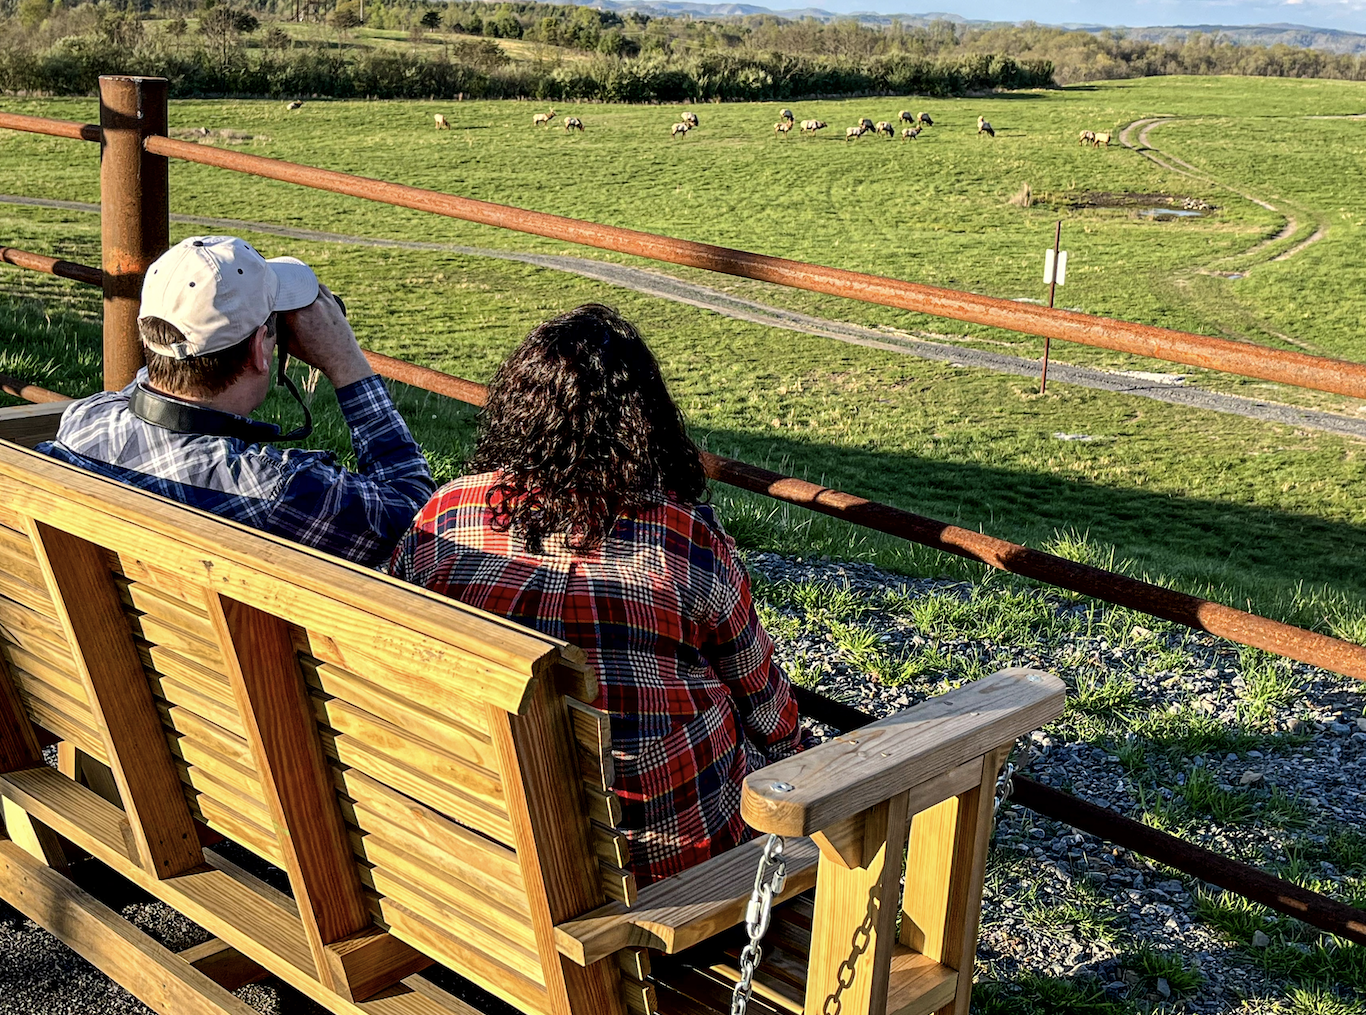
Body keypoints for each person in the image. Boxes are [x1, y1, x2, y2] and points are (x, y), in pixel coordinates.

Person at [391, 303, 800, 884]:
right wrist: (800, 760)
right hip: (668, 867)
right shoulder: (681, 542)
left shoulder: (445, 517)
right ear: (646, 425)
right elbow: (765, 704)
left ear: (514, 415)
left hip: (493, 836)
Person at [40, 235, 432, 567]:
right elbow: (416, 520)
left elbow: (153, 389)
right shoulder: (283, 490)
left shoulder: (87, 420)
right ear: (260, 351)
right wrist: (348, 364)